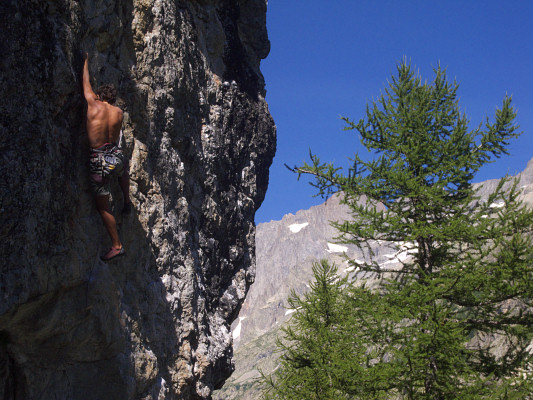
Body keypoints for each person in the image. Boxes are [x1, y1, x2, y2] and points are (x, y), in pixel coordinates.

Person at [83, 52, 131, 261]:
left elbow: (85, 84)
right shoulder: (119, 112)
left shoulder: (94, 105)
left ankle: (116, 245)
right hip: (116, 156)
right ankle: (127, 200)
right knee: (122, 169)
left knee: (102, 205)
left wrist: (85, 61)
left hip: (99, 159)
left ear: (100, 96)